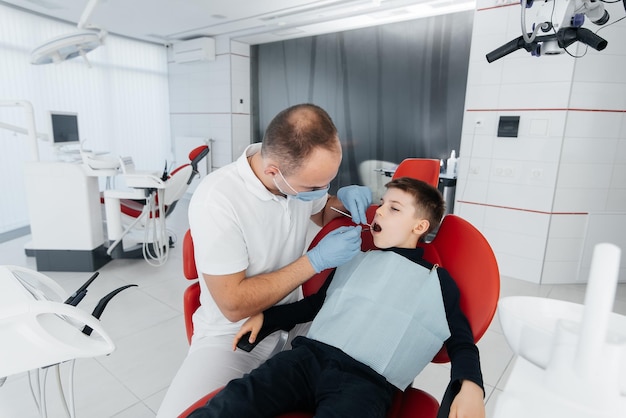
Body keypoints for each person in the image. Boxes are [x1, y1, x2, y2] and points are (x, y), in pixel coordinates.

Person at [187, 177, 486, 418]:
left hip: (365, 383)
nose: (378, 211)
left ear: (419, 227)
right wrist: (268, 318)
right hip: (305, 360)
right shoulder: (355, 258)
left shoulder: (436, 281)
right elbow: (317, 305)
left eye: (394, 208)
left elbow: (461, 342)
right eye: (381, 203)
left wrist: (471, 385)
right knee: (236, 399)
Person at [156, 103, 372, 417]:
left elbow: (323, 208)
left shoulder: (294, 180)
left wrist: (342, 202)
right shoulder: (218, 199)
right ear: (274, 172)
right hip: (232, 336)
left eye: (328, 182)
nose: (321, 191)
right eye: (314, 186)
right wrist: (314, 261)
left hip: (299, 323)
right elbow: (233, 304)